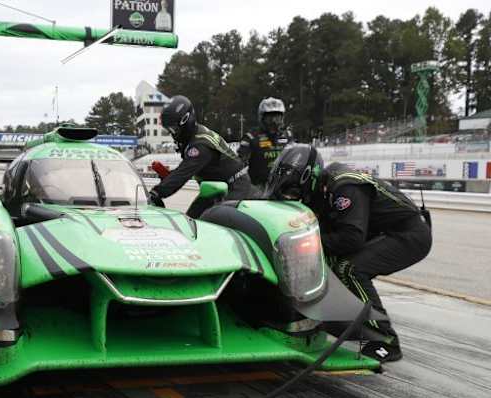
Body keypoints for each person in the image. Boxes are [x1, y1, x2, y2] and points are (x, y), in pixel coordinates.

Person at [263, 144, 432, 362]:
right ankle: (318, 319)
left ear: (308, 179)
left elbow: (351, 238)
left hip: (408, 234)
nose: (291, 198)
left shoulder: (345, 186)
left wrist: (306, 244)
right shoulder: (322, 188)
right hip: (383, 231)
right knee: (329, 262)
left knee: (349, 268)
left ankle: (384, 339)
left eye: (292, 192)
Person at [148, 95, 251, 219]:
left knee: (220, 222)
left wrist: (156, 193)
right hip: (215, 186)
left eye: (173, 129)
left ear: (185, 121)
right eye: (168, 129)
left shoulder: (200, 145)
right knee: (191, 220)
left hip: (235, 187)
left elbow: (183, 173)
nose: (171, 133)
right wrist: (169, 177)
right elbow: (188, 168)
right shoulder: (194, 136)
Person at [238, 97, 293, 189]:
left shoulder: (288, 136)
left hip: (284, 188)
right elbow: (240, 165)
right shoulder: (251, 137)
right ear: (261, 118)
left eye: (277, 118)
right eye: (270, 118)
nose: (274, 122)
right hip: (258, 189)